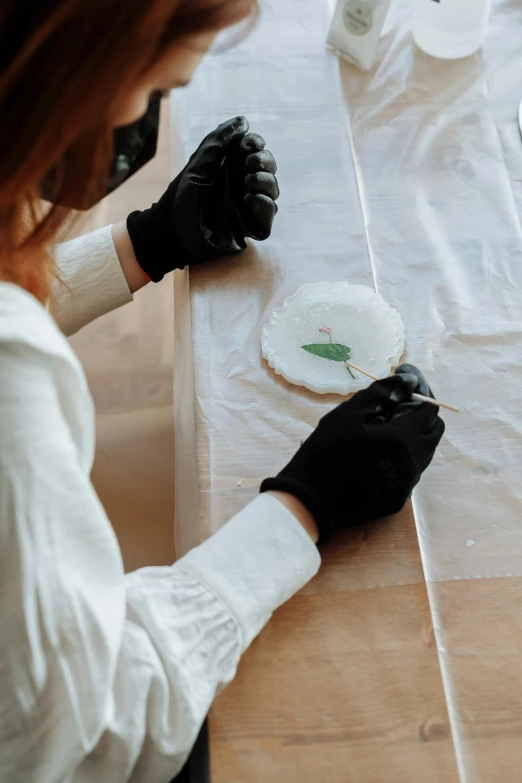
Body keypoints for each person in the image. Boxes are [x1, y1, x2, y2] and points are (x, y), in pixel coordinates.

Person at [0, 1, 445, 782]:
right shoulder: (15, 389)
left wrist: (145, 243)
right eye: (155, 89)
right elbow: (89, 729)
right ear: (69, 67)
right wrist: (303, 506)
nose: (150, 122)